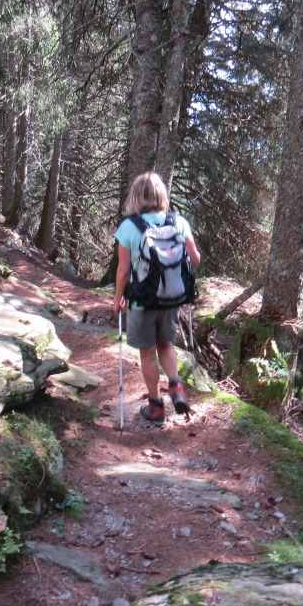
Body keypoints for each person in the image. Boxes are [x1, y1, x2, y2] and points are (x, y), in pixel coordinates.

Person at [112, 172, 202, 425]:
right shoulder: (179, 221)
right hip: (172, 299)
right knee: (166, 344)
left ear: (136, 196)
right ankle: (176, 387)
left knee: (148, 353)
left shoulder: (129, 227)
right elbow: (195, 260)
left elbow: (123, 270)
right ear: (161, 195)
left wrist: (118, 299)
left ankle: (156, 407)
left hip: (143, 301)